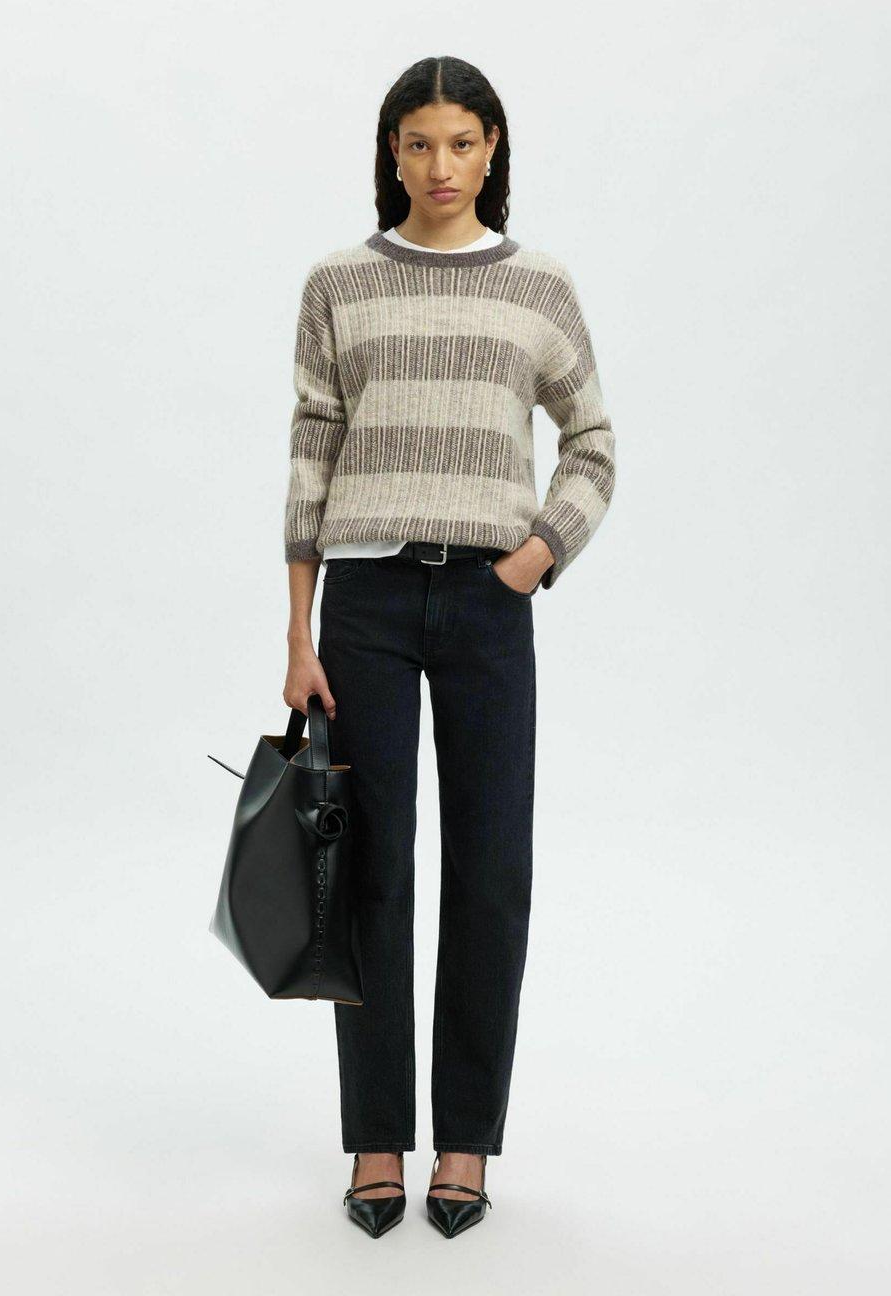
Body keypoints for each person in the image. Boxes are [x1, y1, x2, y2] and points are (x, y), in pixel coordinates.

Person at [282, 55, 615, 1239]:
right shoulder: (339, 282)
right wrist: (297, 629)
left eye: (461, 143)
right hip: (365, 604)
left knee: (490, 868)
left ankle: (465, 1139)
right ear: (392, 152)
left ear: (492, 150)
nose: (440, 166)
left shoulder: (539, 286)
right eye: (418, 143)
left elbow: (593, 441)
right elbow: (312, 453)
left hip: (486, 603)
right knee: (369, 868)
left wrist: (535, 556)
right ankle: (377, 1135)